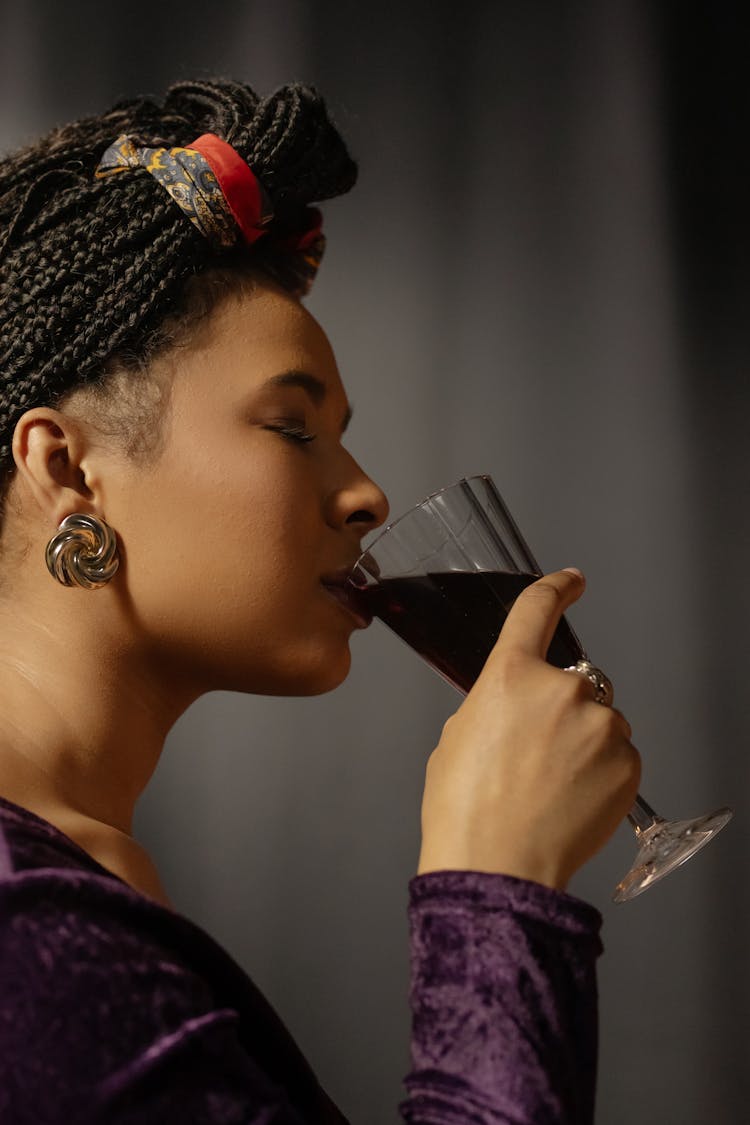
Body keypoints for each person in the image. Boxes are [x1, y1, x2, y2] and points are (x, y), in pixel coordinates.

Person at [0, 78, 640, 1124]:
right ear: (66, 470)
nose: (366, 492)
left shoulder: (78, 872)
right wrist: (496, 888)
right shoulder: (24, 921)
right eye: (294, 429)